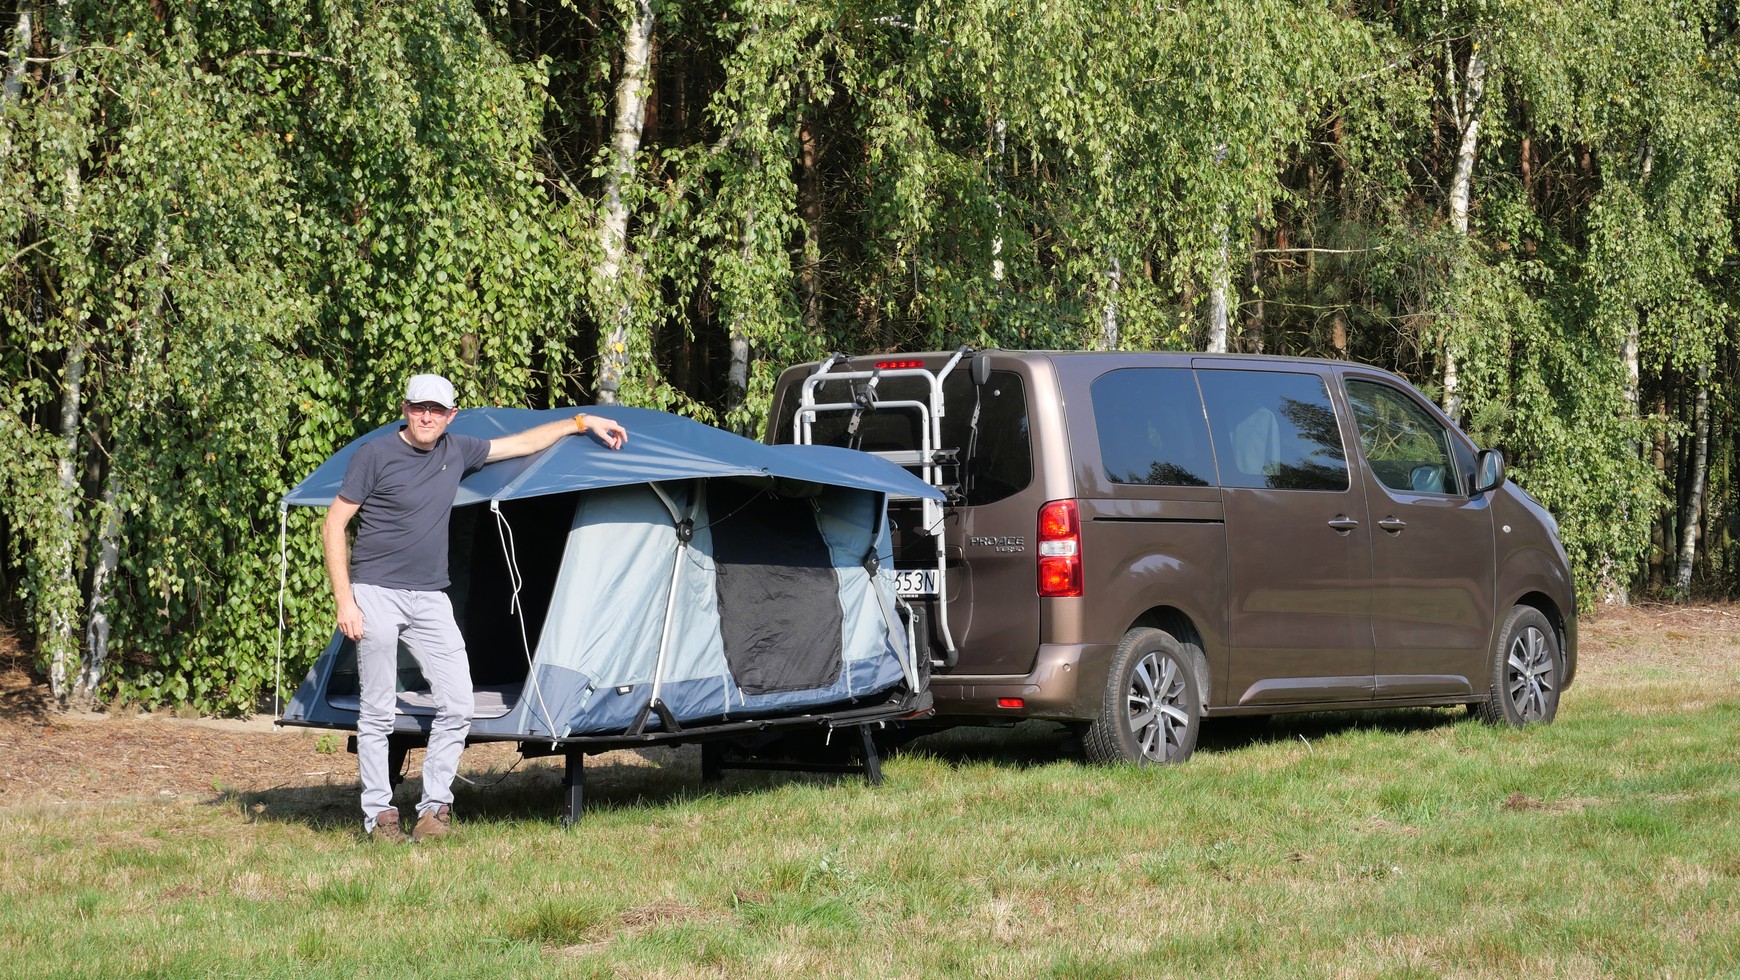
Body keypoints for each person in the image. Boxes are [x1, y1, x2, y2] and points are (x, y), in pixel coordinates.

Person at [322, 373, 627, 842]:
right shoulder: (375, 455)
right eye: (419, 407)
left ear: (451, 415)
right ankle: (379, 815)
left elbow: (521, 444)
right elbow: (333, 523)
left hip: (430, 597)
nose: (426, 416)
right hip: (376, 592)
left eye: (436, 410)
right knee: (378, 712)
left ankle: (434, 810)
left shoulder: (458, 450)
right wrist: (346, 600)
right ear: (405, 409)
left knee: (458, 704)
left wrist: (580, 422)